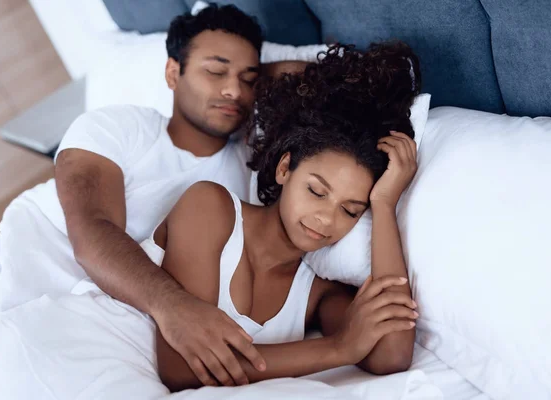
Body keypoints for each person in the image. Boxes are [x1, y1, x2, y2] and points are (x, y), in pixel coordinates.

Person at [0, 4, 268, 386]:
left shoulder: (248, 173)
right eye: (216, 71)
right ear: (173, 72)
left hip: (97, 320)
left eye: (249, 79)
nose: (234, 89)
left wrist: (273, 73)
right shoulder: (115, 127)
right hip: (18, 262)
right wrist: (173, 306)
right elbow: (92, 231)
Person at [153, 41, 422, 390]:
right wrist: (338, 348)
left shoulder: (317, 293)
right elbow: (181, 367)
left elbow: (393, 355)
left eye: (350, 210)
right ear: (284, 168)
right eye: (316, 191)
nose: (326, 219)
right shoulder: (209, 208)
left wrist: (385, 204)